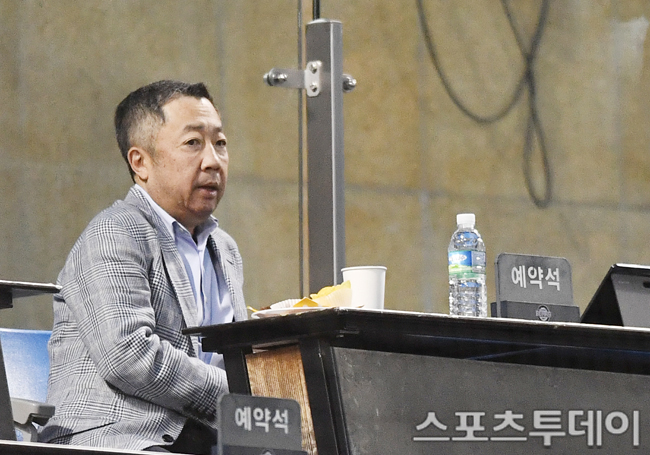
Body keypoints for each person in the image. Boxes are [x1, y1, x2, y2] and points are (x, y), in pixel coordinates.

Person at [38, 80, 247, 454]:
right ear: (141, 162)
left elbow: (233, 358)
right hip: (118, 439)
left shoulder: (225, 249)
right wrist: (241, 392)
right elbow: (128, 357)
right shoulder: (115, 231)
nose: (213, 160)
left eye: (220, 143)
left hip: (206, 441)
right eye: (193, 143)